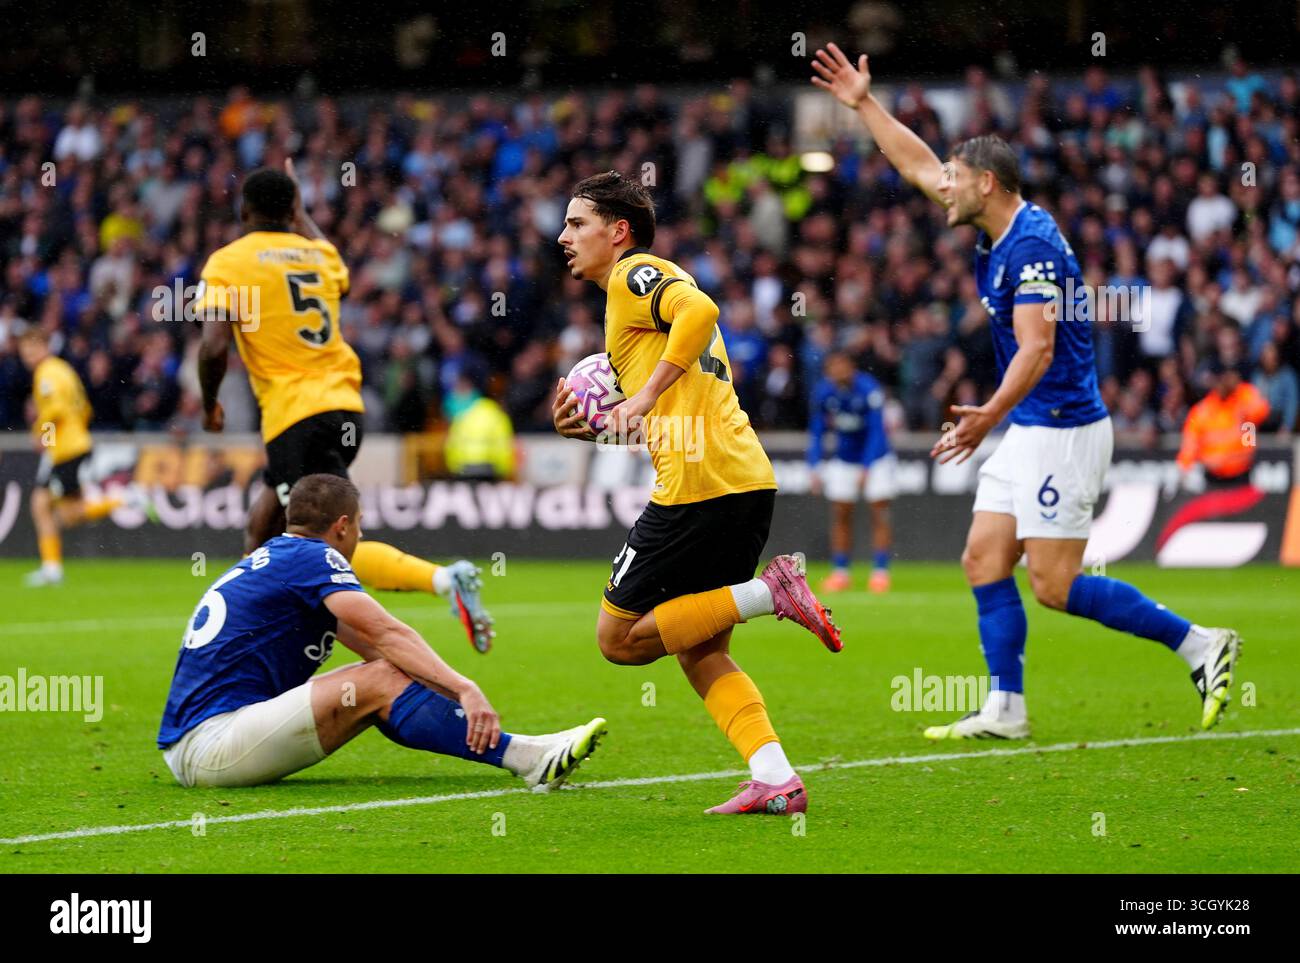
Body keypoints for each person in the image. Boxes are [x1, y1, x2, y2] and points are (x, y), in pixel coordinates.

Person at [812, 42, 1241, 738]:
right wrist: (864, 104)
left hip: (1063, 426)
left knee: (1054, 584)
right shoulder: (999, 229)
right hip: (1034, 423)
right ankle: (1006, 707)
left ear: (986, 181)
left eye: (954, 178)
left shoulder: (1031, 247)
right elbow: (915, 163)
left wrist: (987, 416)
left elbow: (1038, 349)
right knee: (983, 556)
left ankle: (1199, 643)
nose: (940, 187)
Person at [551, 171, 841, 816]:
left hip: (700, 486)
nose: (563, 236)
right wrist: (599, 428)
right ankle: (777, 778)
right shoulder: (629, 307)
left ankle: (771, 591)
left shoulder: (635, 275)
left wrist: (645, 394)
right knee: (700, 649)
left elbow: (703, 309)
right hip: (739, 479)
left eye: (576, 224)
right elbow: (675, 407)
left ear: (617, 232)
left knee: (618, 639)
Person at [194, 162, 494, 652]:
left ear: (243, 209)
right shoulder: (316, 254)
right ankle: (247, 623)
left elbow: (211, 348)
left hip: (296, 415)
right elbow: (341, 273)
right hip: (343, 406)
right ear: (291, 209)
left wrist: (209, 407)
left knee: (328, 548)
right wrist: (304, 214)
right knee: (265, 522)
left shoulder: (228, 262)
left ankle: (441, 586)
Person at [158, 473, 606, 789]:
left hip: (204, 738)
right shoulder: (317, 558)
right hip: (208, 744)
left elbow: (380, 650)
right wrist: (466, 689)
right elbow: (390, 633)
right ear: (343, 526)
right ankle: (526, 759)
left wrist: (446, 690)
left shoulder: (277, 558)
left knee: (381, 676)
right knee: (378, 680)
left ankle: (527, 749)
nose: (359, 537)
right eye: (360, 526)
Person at [17, 329, 138, 587]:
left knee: (68, 513)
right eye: (23, 352)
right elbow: (84, 408)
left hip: (66, 450)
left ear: (44, 347)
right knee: (42, 504)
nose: (27, 357)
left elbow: (57, 409)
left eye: (30, 350)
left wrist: (41, 432)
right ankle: (51, 568)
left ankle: (124, 498)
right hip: (72, 445)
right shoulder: (64, 370)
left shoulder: (46, 373)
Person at [807, 351, 896, 593]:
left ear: (851, 366)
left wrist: (867, 466)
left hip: (876, 458)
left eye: (841, 365)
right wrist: (813, 464)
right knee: (841, 513)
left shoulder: (869, 389)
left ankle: (880, 571)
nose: (837, 371)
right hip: (844, 458)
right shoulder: (824, 393)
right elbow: (816, 431)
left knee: (879, 511)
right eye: (832, 367)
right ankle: (841, 572)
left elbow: (877, 430)